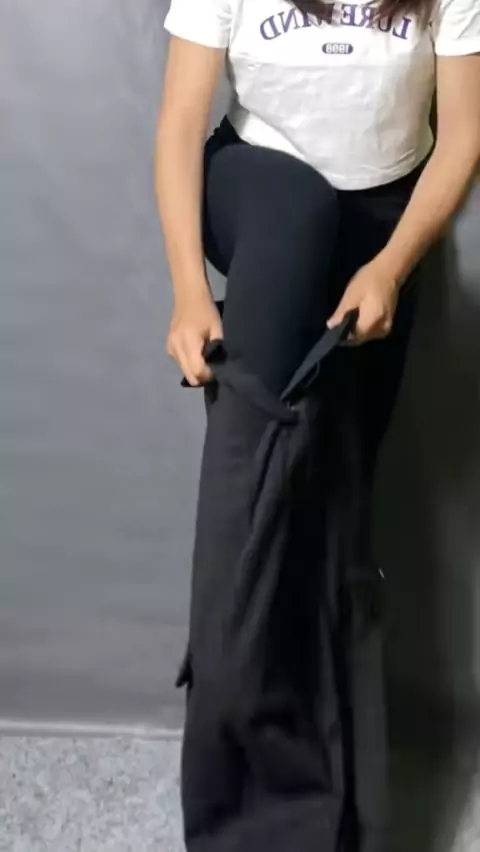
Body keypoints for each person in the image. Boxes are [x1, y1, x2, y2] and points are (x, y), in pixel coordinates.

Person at [156, 1, 479, 849]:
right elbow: (181, 124)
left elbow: (463, 137)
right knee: (261, 498)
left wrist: (391, 268)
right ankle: (240, 807)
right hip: (259, 195)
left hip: (382, 225)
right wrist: (190, 292)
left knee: (333, 502)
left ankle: (333, 808)